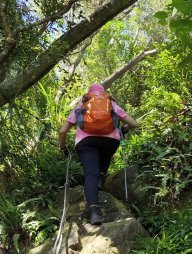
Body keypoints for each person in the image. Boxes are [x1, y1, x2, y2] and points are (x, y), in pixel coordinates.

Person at [59, 83, 138, 225]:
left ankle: (94, 212)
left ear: (88, 93)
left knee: (90, 174)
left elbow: (63, 131)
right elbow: (134, 123)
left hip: (86, 142)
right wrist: (124, 129)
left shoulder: (82, 104)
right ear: (103, 93)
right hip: (110, 141)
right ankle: (100, 180)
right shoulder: (111, 103)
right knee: (105, 155)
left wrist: (62, 147)